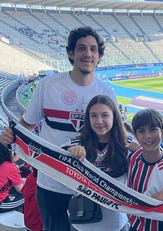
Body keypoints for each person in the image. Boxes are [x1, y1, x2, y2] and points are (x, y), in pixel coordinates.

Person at [0, 26, 117, 231]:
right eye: (81, 48)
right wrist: (11, 134)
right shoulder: (48, 85)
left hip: (88, 184)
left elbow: (112, 137)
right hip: (51, 183)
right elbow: (27, 124)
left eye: (93, 49)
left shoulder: (106, 92)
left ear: (99, 57)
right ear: (71, 53)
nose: (87, 54)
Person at [67, 95, 129, 231]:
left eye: (105, 115)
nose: (99, 121)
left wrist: (141, 151)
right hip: (81, 223)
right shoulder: (75, 144)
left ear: (114, 117)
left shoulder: (128, 146)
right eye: (93, 115)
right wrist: (68, 153)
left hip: (115, 224)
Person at [128, 108, 163, 231]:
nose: (147, 136)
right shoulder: (132, 158)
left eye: (153, 129)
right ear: (136, 136)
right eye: (141, 131)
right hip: (134, 225)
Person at [0, 143, 24, 213]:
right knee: (30, 196)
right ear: (12, 153)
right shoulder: (10, 167)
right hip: (1, 204)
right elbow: (22, 190)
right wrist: (25, 183)